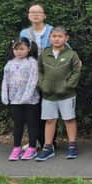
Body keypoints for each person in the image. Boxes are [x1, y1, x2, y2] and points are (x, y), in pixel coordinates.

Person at [35, 26, 82, 161]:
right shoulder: (45, 53)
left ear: (66, 38)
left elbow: (76, 72)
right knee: (50, 121)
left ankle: (72, 146)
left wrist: (67, 86)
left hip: (67, 95)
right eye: (54, 36)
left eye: (60, 36)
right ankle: (48, 147)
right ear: (50, 38)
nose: (56, 39)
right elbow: (39, 71)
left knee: (69, 119)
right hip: (48, 95)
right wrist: (42, 85)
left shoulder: (71, 54)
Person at [19, 3, 54, 148]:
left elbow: (65, 48)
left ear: (44, 15)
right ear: (28, 15)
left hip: (49, 74)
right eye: (32, 12)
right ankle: (34, 141)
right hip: (30, 76)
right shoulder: (25, 33)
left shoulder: (52, 30)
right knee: (33, 109)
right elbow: (21, 53)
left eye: (39, 12)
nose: (35, 15)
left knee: (48, 109)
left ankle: (49, 142)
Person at [1, 37, 40, 161]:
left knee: (31, 124)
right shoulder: (10, 64)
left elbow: (33, 81)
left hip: (30, 101)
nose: (19, 51)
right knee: (18, 125)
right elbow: (5, 81)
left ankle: (32, 147)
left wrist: (26, 97)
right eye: (16, 49)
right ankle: (16, 147)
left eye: (22, 49)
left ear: (28, 49)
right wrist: (5, 96)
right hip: (15, 101)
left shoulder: (32, 63)